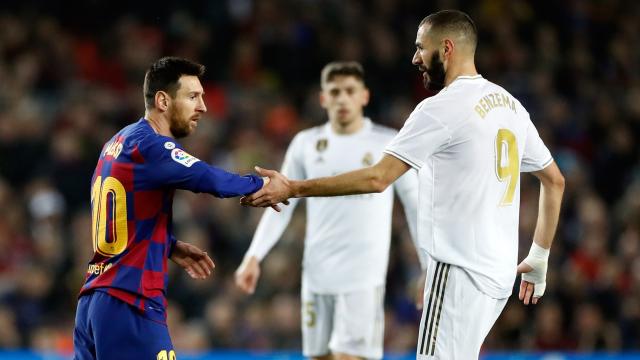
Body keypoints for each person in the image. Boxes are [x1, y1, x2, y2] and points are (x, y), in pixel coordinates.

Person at [241, 10, 565, 360]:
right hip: (498, 275)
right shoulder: (511, 106)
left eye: (420, 48)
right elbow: (554, 180)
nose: (414, 59)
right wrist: (539, 257)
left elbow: (378, 177)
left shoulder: (441, 109)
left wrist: (294, 188)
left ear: (446, 48)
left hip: (460, 271)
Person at [73, 56, 274, 360]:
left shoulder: (117, 142)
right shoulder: (150, 146)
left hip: (95, 301)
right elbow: (210, 179)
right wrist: (263, 185)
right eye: (193, 96)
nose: (203, 107)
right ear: (163, 101)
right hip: (130, 302)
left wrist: (166, 245)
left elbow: (120, 218)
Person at [235, 61, 425, 360]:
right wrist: (254, 255)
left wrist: (427, 267)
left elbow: (416, 209)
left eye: (350, 91)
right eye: (335, 92)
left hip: (363, 275)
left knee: (349, 357)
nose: (342, 99)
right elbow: (281, 203)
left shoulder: (388, 144)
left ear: (365, 96)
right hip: (317, 272)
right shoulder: (305, 144)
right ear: (323, 98)